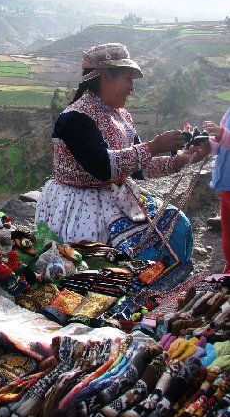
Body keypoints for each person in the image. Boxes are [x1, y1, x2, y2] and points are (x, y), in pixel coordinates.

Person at [35, 43, 209, 265]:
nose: (132, 87)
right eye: (128, 78)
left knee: (178, 225)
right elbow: (103, 168)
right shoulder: (74, 118)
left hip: (117, 197)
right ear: (106, 75)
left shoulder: (122, 116)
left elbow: (138, 168)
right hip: (81, 205)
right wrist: (154, 146)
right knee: (111, 265)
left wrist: (180, 160)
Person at [203, 113, 230, 273]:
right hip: (227, 185)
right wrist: (207, 145)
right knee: (228, 234)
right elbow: (220, 146)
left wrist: (223, 135)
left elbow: (224, 136)